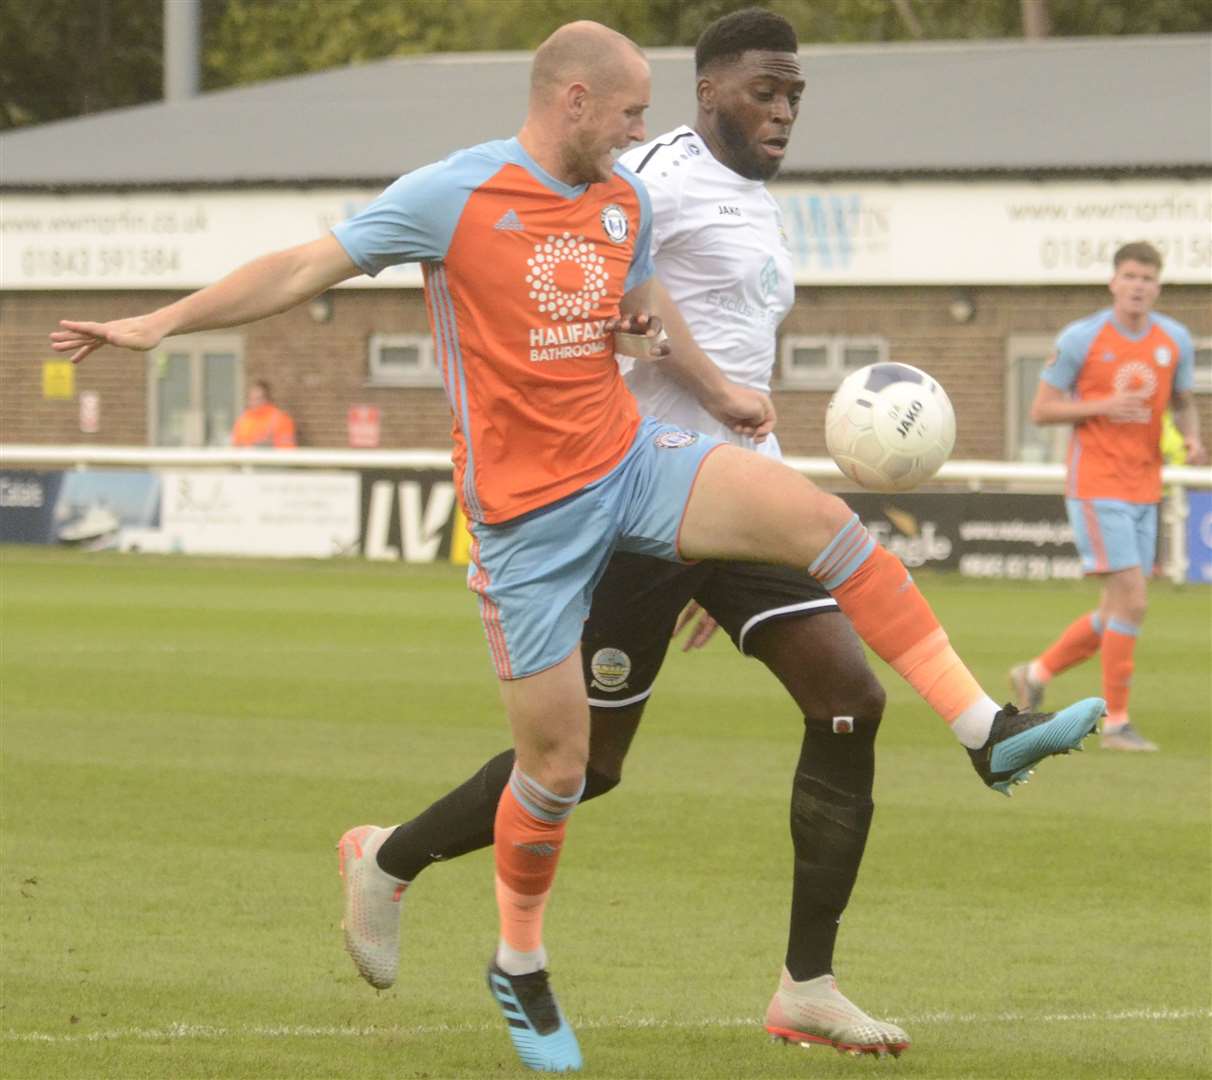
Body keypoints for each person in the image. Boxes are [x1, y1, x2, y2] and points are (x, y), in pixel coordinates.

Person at [51, 20, 1103, 1074]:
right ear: (574, 102)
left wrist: (700, 381)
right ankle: (502, 949)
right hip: (529, 522)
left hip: (636, 464)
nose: (646, 132)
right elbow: (304, 264)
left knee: (827, 535)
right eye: (633, 112)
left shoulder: (621, 199)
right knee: (562, 771)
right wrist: (160, 323)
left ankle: (983, 731)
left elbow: (641, 310)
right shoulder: (454, 194)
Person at [1010, 241, 1204, 753]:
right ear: (1113, 282)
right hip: (1096, 483)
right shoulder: (1082, 338)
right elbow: (1042, 410)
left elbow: (1183, 402)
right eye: (1130, 276)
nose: (1139, 285)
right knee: (1134, 598)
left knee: (1115, 608)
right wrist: (1103, 403)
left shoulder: (1174, 340)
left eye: (1148, 278)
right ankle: (1116, 722)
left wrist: (1193, 438)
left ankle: (1035, 672)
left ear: (1158, 287)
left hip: (1146, 483)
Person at [230, 379, 297, 447]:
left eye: (258, 398)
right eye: (251, 399)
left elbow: (287, 449)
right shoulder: (243, 420)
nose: (253, 403)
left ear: (267, 399)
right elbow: (235, 444)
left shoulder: (281, 419)